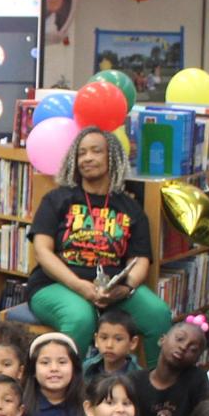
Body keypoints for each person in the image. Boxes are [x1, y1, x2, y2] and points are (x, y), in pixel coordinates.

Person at [27, 126, 174, 364]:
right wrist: (78, 285)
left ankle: (154, 389)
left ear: (112, 157)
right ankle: (71, 392)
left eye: (96, 151)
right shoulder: (57, 199)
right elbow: (42, 251)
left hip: (113, 289)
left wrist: (124, 288)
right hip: (57, 284)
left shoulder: (130, 207)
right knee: (80, 318)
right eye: (81, 153)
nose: (87, 158)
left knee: (158, 315)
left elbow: (140, 260)